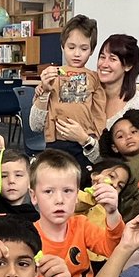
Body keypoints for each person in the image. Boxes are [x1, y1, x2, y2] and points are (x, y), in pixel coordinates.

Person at [29, 149, 125, 277]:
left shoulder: (81, 225)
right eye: (49, 192)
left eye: (68, 191)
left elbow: (112, 248)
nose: (59, 200)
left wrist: (112, 212)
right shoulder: (29, 238)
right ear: (33, 196)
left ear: (78, 193)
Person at [29, 14, 106, 175]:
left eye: (84, 49)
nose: (77, 54)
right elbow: (35, 124)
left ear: (91, 50)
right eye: (71, 47)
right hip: (55, 142)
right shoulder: (51, 74)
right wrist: (43, 89)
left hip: (82, 143)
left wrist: (98, 139)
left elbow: (99, 112)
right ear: (62, 46)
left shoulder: (94, 78)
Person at [0, 138, 39, 224]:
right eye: (3, 176)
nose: (11, 181)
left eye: (18, 175)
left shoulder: (35, 217)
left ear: (30, 181)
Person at [76, 157, 132, 229]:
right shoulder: (71, 193)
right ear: (95, 175)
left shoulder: (111, 217)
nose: (115, 185)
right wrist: (93, 196)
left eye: (120, 186)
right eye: (112, 176)